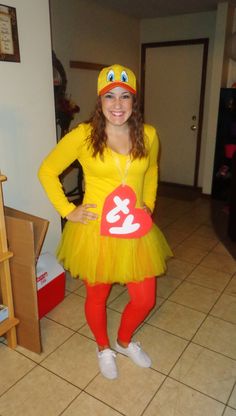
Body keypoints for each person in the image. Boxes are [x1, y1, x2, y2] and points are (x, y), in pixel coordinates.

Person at [38, 64, 172, 380]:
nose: (117, 104)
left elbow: (151, 172)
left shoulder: (149, 135)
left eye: (125, 97)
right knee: (97, 297)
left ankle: (124, 342)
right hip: (95, 231)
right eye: (109, 96)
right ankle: (103, 347)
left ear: (134, 101)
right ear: (100, 100)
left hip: (135, 229)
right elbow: (47, 171)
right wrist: (68, 210)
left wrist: (148, 205)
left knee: (145, 298)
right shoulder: (83, 135)